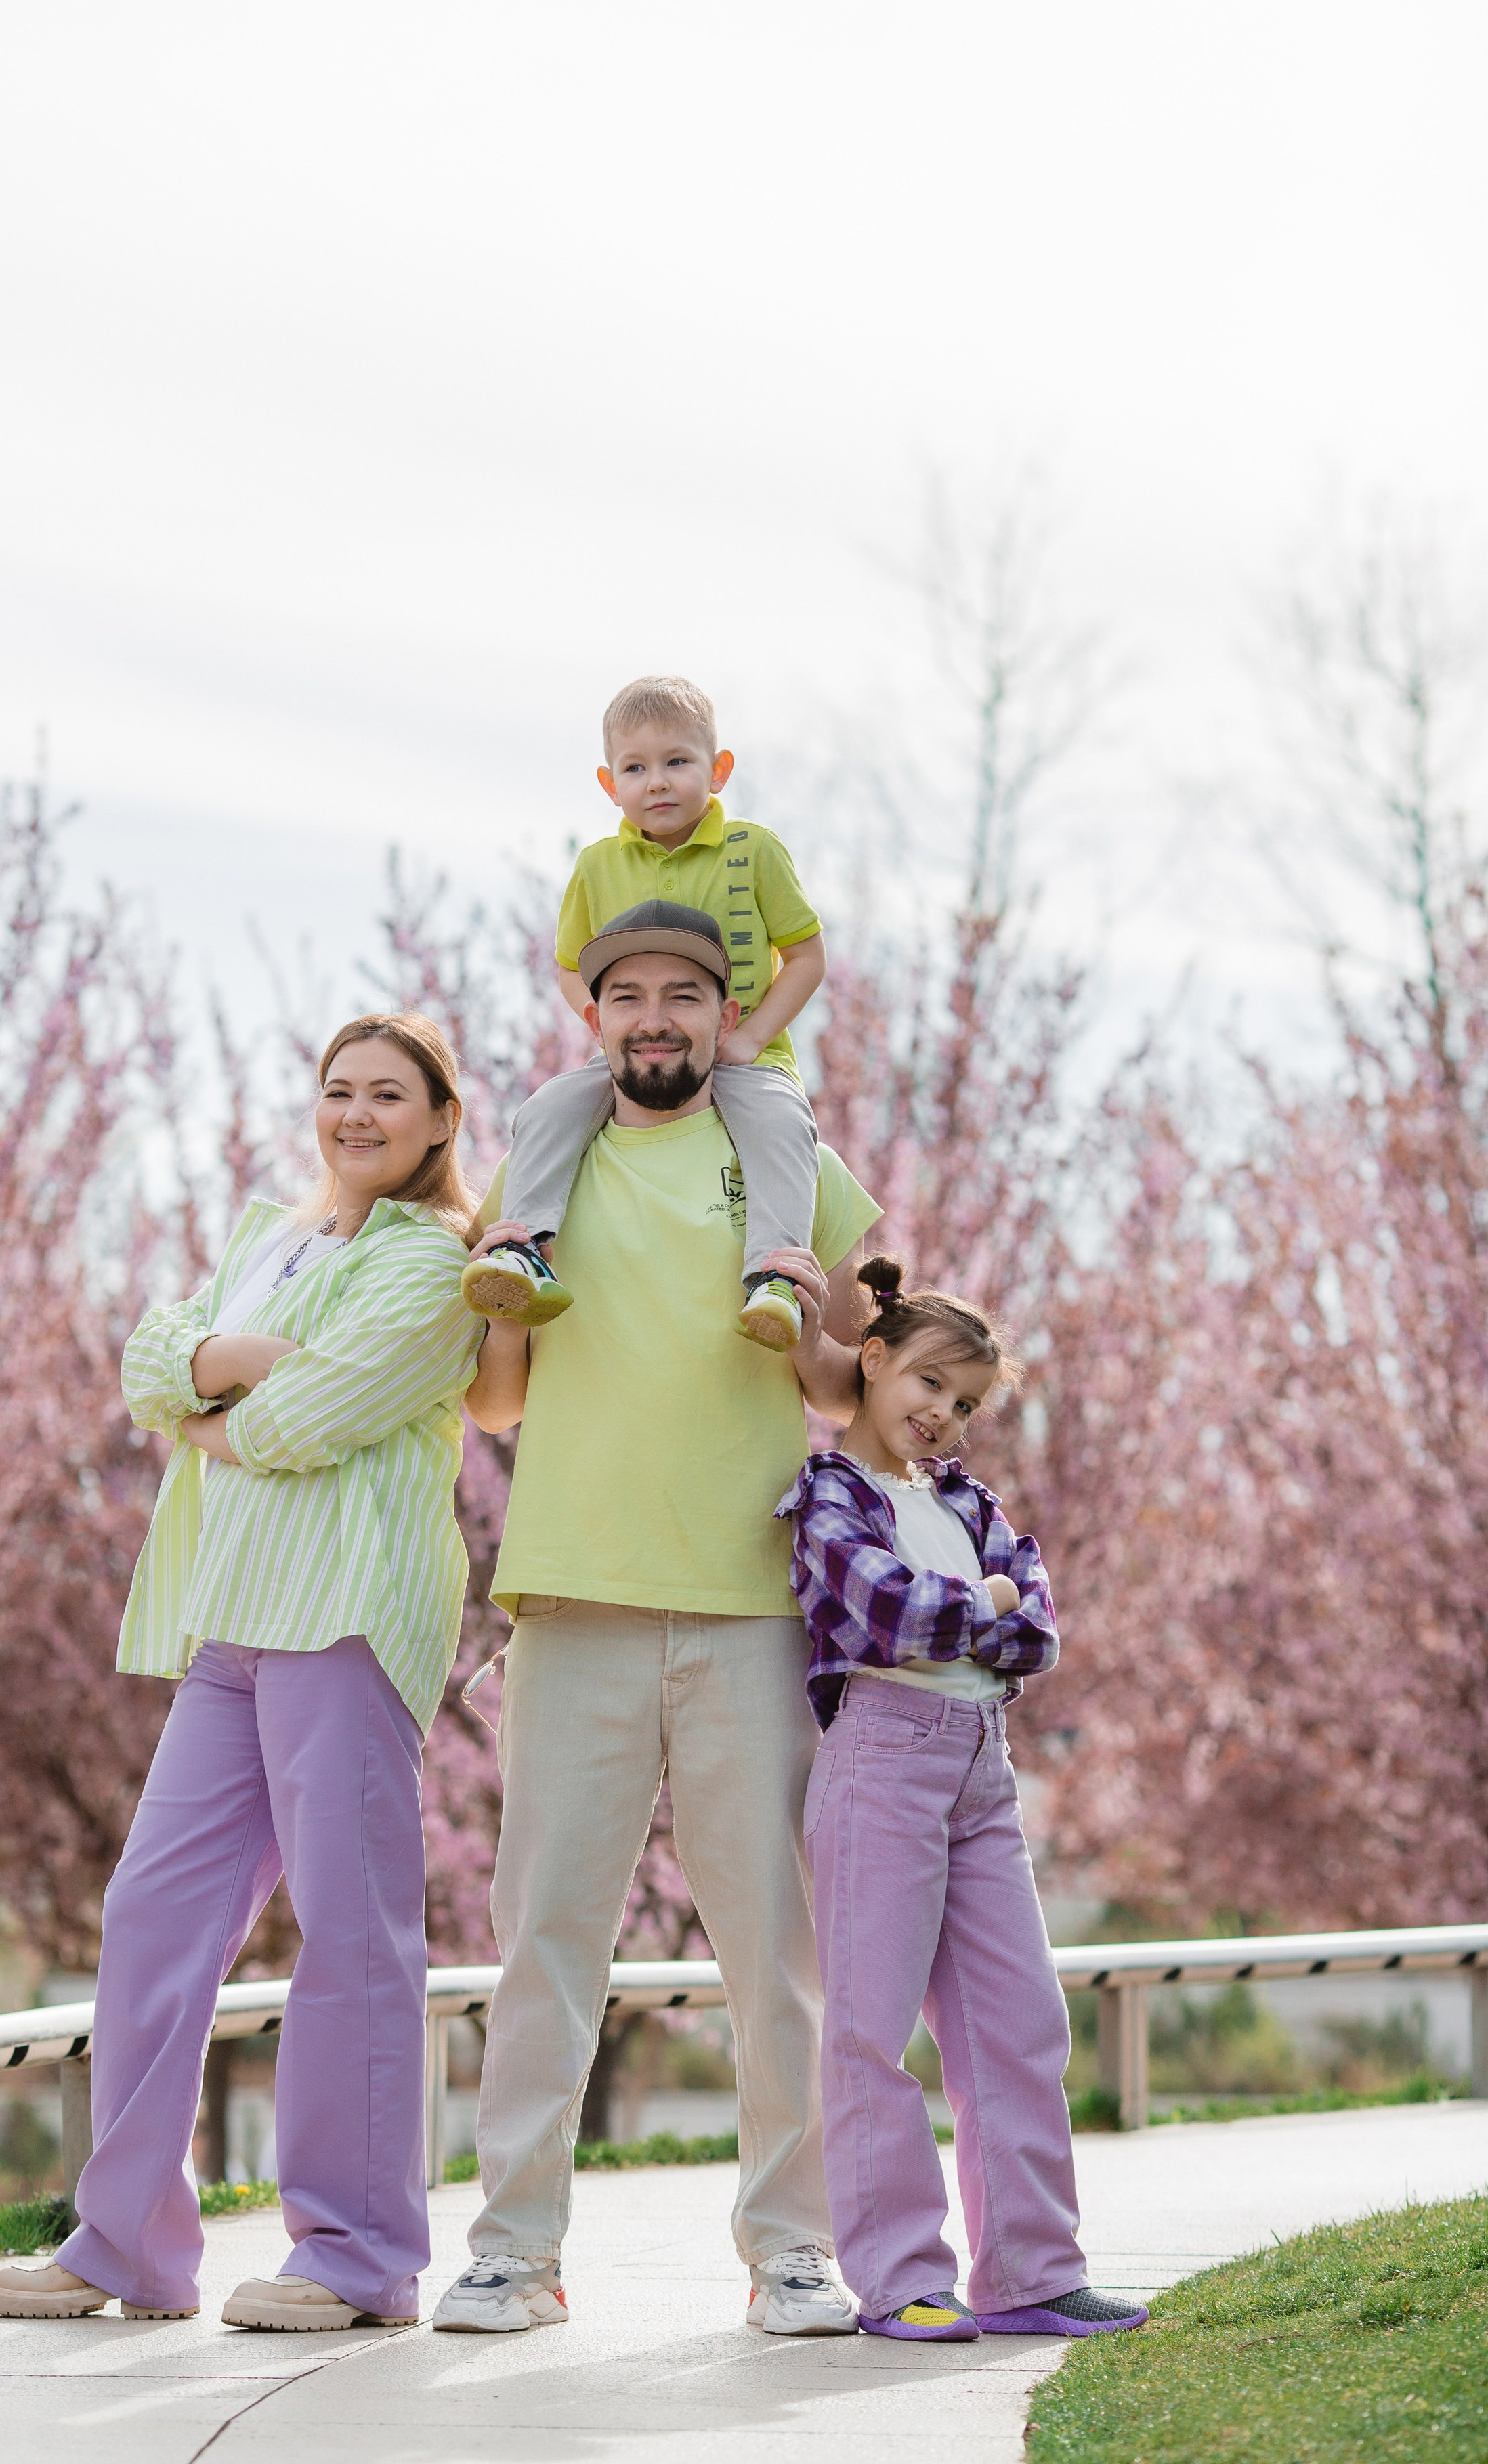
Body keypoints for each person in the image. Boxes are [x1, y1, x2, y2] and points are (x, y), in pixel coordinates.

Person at [0, 1014, 482, 2331]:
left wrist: (223, 1397)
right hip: (233, 1621)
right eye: (337, 1090)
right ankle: (129, 2242)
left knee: (349, 1938)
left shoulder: (439, 1262)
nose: (357, 1113)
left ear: (440, 1118)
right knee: (151, 1916)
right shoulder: (270, 1234)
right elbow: (150, 1365)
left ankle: (359, 2256)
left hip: (349, 1617)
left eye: (389, 1093)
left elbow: (318, 1416)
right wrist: (235, 1378)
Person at [432, 899, 881, 2339]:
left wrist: (818, 1318)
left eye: (682, 994)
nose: (654, 1018)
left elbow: (842, 1385)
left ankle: (791, 2251)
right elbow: (496, 1402)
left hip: (751, 1604)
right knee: (544, 1943)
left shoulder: (784, 1151)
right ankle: (512, 2251)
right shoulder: (546, 1154)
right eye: (627, 994)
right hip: (572, 1598)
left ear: (721, 1007)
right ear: (597, 1015)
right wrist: (498, 1296)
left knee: (773, 1951)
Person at [775, 1260, 1149, 2341]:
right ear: (874, 1361)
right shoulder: (830, 1491)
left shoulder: (969, 1502)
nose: (942, 1415)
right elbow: (880, 1612)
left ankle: (1032, 2272)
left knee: (1020, 2023)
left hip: (983, 1767)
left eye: (967, 1403)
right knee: (871, 2030)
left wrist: (982, 1604)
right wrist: (979, 1600)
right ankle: (899, 2276)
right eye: (929, 1383)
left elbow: (1035, 1630)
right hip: (882, 1761)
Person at [461, 675, 827, 1352]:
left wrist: (749, 1038)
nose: (656, 782)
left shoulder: (752, 851)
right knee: (547, 1107)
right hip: (632, 1060)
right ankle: (522, 1247)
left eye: (677, 762)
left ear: (717, 771)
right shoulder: (597, 865)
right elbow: (571, 965)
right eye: (636, 768)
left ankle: (775, 1277)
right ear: (609, 784)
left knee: (780, 1123)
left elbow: (806, 955)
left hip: (744, 1060)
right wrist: (601, 1024)